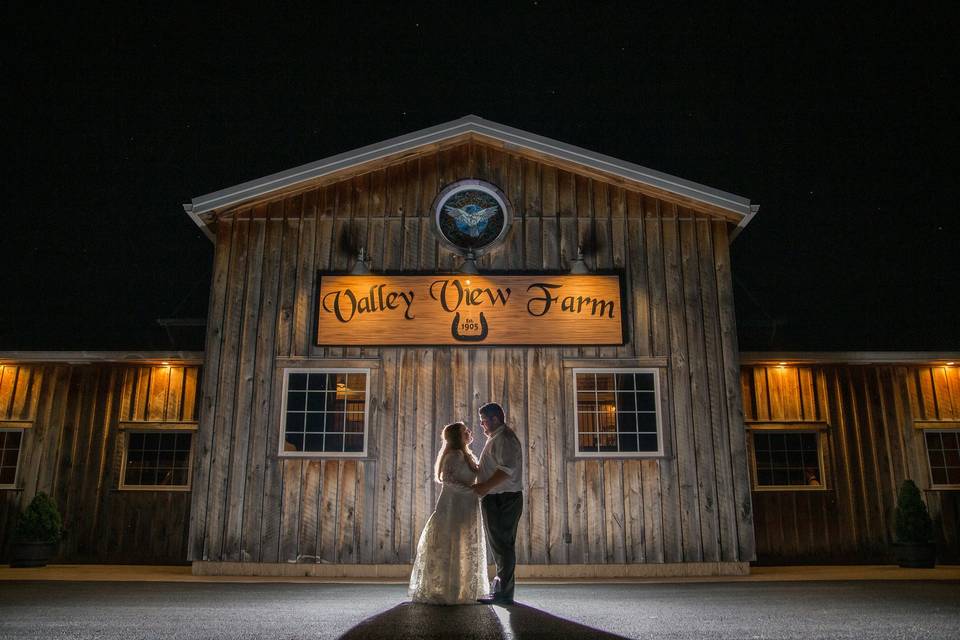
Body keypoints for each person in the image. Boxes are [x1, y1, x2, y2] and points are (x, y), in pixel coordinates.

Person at [408, 422, 489, 605]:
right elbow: (449, 480)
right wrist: (473, 491)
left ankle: (463, 589)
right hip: (453, 505)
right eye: (464, 431)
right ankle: (448, 590)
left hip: (466, 505)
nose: (469, 432)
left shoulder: (467, 455)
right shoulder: (453, 456)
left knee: (464, 545)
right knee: (451, 545)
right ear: (456, 437)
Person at [472, 402, 524, 605]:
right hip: (496, 496)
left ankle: (504, 592)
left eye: (484, 421)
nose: (482, 426)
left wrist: (484, 487)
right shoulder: (496, 438)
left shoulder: (505, 438)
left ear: (495, 419)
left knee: (503, 545)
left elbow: (507, 469)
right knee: (499, 545)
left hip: (503, 498)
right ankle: (501, 589)